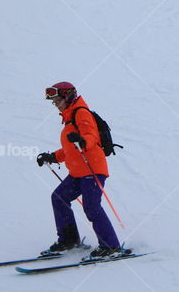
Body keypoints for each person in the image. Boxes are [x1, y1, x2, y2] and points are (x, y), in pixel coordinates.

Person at [36, 81, 130, 259]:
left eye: (57, 100)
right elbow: (70, 149)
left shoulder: (81, 113)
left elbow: (90, 136)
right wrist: (52, 157)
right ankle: (68, 240)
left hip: (92, 169)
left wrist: (82, 140)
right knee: (59, 198)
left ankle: (111, 246)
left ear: (68, 97)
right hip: (78, 172)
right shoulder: (69, 117)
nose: (55, 105)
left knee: (92, 207)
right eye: (53, 102)